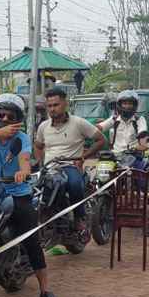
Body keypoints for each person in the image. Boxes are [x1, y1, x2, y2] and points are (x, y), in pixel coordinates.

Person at [0, 95, 57, 297]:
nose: (4, 119)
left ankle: (45, 290)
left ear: (17, 118)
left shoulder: (22, 137)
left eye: (10, 116)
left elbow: (25, 160)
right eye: (1, 114)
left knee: (31, 240)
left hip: (19, 193)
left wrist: (23, 172)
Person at [34, 87, 108, 231]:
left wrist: (83, 156)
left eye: (56, 105)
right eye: (49, 106)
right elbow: (38, 146)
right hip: (49, 168)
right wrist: (40, 162)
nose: (52, 109)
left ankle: (79, 216)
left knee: (74, 184)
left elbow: (101, 140)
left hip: (70, 166)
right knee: (34, 189)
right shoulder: (43, 126)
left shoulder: (79, 123)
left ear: (65, 103)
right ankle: (47, 217)